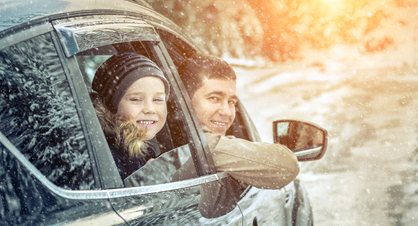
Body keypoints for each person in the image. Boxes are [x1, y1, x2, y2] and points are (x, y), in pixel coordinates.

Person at [178, 54, 300, 191]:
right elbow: (288, 166)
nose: (227, 112)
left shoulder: (172, 144)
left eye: (231, 102)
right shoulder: (203, 147)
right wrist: (221, 150)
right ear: (183, 102)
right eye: (214, 98)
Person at [91, 52, 169, 180]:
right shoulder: (109, 156)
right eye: (136, 99)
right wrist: (146, 183)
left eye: (158, 99)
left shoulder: (149, 143)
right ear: (111, 106)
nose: (150, 109)